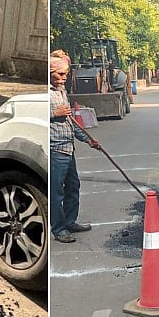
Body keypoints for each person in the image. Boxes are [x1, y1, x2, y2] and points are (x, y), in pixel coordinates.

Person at [50, 51, 101, 243]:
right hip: (55, 150)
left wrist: (88, 140)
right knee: (56, 192)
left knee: (73, 186)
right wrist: (53, 113)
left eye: (65, 75)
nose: (63, 78)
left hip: (68, 149)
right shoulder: (45, 94)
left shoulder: (61, 92)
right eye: (59, 75)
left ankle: (70, 221)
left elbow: (70, 122)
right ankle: (59, 229)